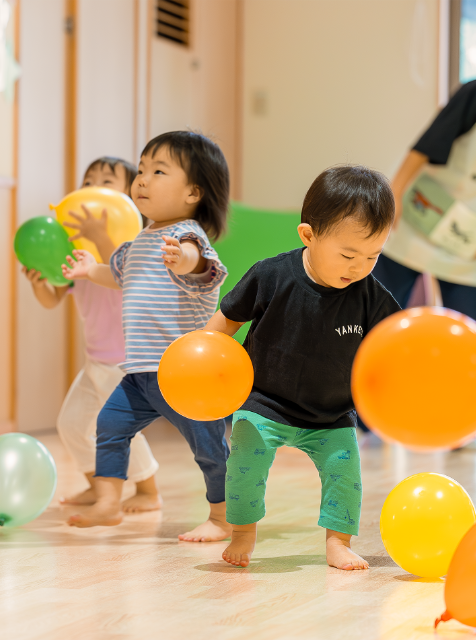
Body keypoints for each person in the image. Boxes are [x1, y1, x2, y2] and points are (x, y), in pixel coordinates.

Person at [205, 166, 400, 569]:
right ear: (309, 235)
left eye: (373, 256)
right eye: (348, 254)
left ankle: (338, 541)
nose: (359, 266)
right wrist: (206, 359)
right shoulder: (271, 275)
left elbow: (396, 340)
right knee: (245, 455)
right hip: (265, 402)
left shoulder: (368, 293)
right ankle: (242, 531)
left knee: (345, 476)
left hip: (331, 414)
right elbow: (227, 320)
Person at [61, 131, 231, 541]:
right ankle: (107, 502)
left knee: (209, 450)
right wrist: (89, 271)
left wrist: (183, 259)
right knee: (110, 426)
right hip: (140, 371)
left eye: (158, 171)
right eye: (141, 170)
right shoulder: (139, 241)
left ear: (193, 191)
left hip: (185, 374)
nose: (142, 180)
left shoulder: (187, 236)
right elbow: (116, 275)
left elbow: (201, 265)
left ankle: (223, 517)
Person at [23, 156, 161, 512]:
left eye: (106, 181)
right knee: (71, 424)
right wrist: (39, 280)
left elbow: (118, 272)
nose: (93, 188)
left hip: (126, 359)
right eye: (88, 180)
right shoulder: (73, 251)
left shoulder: (133, 246)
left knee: (121, 426)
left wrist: (100, 234)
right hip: (97, 359)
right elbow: (54, 298)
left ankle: (148, 491)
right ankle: (96, 484)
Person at [379, 80, 476, 318]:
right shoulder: (473, 93)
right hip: (420, 211)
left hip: (467, 239)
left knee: (466, 329)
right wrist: (395, 193)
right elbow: (429, 143)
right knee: (377, 310)